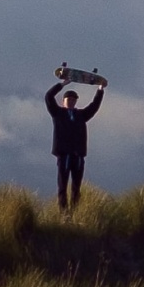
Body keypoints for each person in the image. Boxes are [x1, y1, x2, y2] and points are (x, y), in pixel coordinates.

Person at [45, 74, 107, 211]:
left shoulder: (81, 116)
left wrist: (100, 89)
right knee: (62, 186)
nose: (71, 101)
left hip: (78, 156)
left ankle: (75, 212)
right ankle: (63, 213)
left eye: (74, 99)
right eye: (69, 99)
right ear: (63, 101)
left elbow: (94, 106)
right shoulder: (58, 113)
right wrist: (62, 84)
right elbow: (48, 97)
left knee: (76, 187)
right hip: (63, 155)